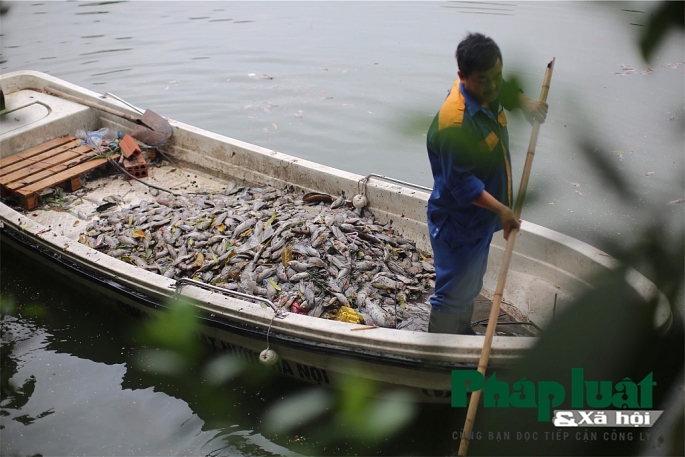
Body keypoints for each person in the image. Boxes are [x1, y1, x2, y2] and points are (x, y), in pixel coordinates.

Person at [426, 33, 548, 334]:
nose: (493, 86)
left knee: (470, 282)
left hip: (480, 216)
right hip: (457, 219)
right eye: (485, 80)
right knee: (452, 291)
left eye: (497, 76)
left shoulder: (487, 90)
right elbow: (462, 184)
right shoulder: (455, 124)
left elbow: (504, 91)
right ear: (462, 77)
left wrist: (526, 103)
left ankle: (463, 336)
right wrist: (502, 210)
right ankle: (439, 351)